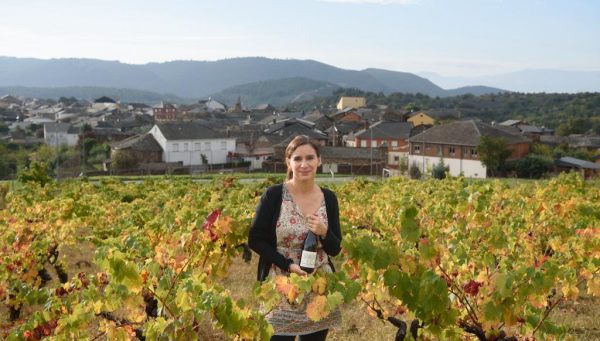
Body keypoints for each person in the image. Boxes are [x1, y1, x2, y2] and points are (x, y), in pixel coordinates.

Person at [248, 135, 342, 341]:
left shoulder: (329, 198)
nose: (304, 164)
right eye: (297, 159)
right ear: (288, 162)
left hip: (319, 287)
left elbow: (335, 249)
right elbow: (255, 239)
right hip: (281, 284)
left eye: (310, 158)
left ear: (319, 160)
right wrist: (287, 265)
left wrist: (324, 232)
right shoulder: (273, 195)